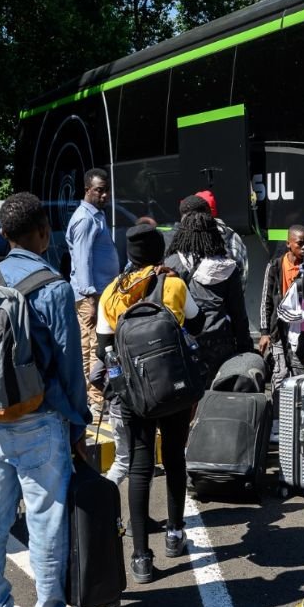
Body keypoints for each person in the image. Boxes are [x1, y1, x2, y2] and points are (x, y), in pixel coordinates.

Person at [0, 192, 91, 607]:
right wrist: (78, 424)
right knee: (45, 522)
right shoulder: (53, 287)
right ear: (42, 233)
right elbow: (70, 366)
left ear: (2, 233)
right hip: (40, 420)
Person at [95, 224, 202, 584]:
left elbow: (102, 349)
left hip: (133, 395)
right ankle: (174, 534)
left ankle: (141, 556)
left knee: (140, 469)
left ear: (129, 254)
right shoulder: (172, 284)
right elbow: (198, 323)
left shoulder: (110, 293)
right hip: (171, 387)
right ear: (160, 252)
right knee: (174, 458)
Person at [163, 211, 253, 382]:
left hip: (187, 342)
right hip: (222, 342)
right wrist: (245, 346)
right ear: (213, 235)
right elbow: (238, 314)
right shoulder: (228, 267)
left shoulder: (172, 264)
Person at [66, 168, 119, 414]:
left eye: (106, 190)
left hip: (101, 294)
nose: (105, 194)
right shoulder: (85, 219)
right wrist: (90, 295)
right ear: (87, 189)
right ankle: (95, 400)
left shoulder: (96, 215)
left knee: (100, 345)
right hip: (92, 296)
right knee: (91, 347)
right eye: (99, 190)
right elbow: (82, 259)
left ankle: (97, 396)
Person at [258, 224, 304, 387]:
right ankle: (278, 409)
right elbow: (266, 300)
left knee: (301, 375)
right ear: (288, 243)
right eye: (300, 243)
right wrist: (264, 332)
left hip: (302, 333)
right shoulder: (275, 266)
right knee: (280, 373)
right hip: (278, 330)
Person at [192, 190, 248, 287]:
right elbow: (243, 275)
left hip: (198, 300)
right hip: (230, 299)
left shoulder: (189, 238)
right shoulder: (233, 236)